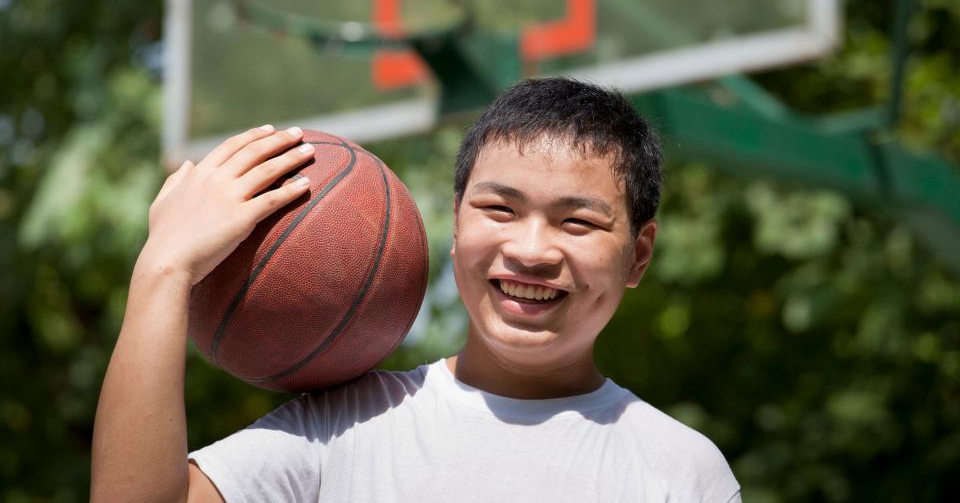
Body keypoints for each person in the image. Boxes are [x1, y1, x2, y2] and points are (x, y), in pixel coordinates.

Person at [91, 78, 741, 502]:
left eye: (577, 221)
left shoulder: (679, 471)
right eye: (500, 209)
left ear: (638, 254)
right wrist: (163, 272)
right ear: (456, 226)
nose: (532, 250)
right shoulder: (346, 426)